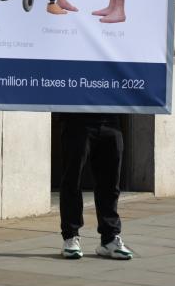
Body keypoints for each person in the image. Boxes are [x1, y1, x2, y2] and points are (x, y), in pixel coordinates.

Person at [57, 112, 134, 261]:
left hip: (110, 119)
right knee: (72, 180)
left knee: (111, 183)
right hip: (77, 118)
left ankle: (109, 239)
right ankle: (70, 237)